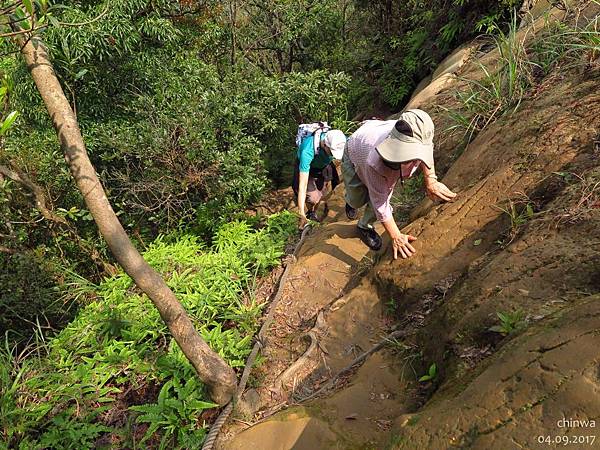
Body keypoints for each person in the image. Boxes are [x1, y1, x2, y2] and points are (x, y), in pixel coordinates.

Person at [342, 109, 457, 259]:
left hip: (372, 135)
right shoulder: (375, 161)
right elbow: (380, 205)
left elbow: (427, 149)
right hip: (355, 151)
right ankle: (350, 201)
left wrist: (431, 179)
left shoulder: (419, 132)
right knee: (358, 199)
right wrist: (396, 236)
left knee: (377, 197)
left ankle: (364, 226)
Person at [293, 127, 347, 229]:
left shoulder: (339, 139)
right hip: (308, 167)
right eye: (331, 152)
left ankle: (312, 212)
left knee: (322, 192)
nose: (333, 156)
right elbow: (303, 185)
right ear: (325, 145)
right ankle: (308, 213)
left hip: (323, 166)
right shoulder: (307, 151)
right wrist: (301, 214)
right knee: (313, 198)